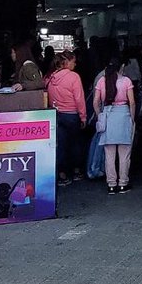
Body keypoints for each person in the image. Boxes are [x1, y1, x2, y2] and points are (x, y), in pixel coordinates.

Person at [94, 58, 135, 194]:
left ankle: (111, 184)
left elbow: (95, 102)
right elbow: (132, 102)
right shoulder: (126, 81)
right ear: (121, 67)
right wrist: (132, 118)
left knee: (109, 154)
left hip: (107, 115)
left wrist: (100, 115)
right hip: (124, 115)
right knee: (124, 154)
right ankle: (123, 183)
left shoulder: (101, 81)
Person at [46, 51, 87, 185]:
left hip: (57, 114)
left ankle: (62, 174)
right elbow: (79, 99)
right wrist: (83, 117)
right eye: (73, 61)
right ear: (67, 62)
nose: (75, 64)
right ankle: (76, 171)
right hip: (72, 114)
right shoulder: (74, 77)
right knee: (75, 143)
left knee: (61, 145)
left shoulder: (51, 77)